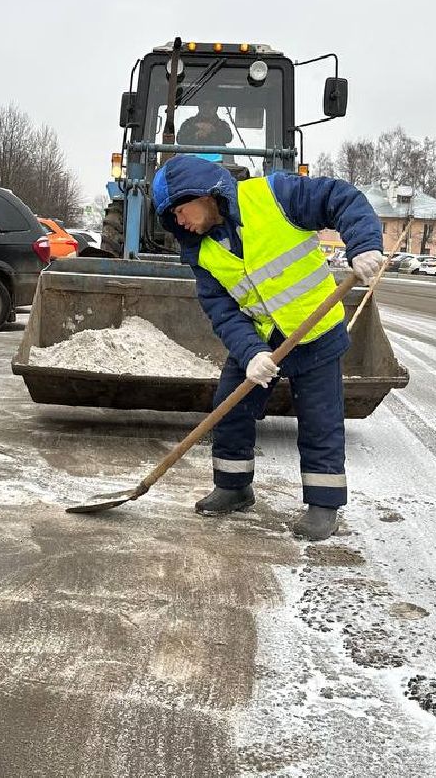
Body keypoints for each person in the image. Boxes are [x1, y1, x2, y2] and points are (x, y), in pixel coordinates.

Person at [152, 155, 384, 541]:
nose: (179, 222)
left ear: (202, 194)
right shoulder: (200, 251)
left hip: (316, 333)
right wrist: (250, 353)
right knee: (230, 406)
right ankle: (234, 486)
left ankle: (323, 505)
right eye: (171, 217)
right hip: (263, 339)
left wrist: (363, 244)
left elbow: (340, 198)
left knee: (319, 419)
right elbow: (222, 310)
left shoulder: (275, 195)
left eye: (179, 210)